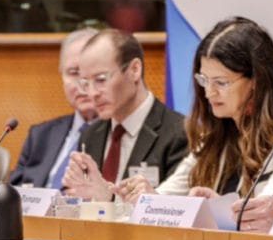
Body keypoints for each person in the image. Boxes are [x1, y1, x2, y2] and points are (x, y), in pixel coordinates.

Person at [114, 17, 273, 232]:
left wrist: (216, 211)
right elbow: (165, 195)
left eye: (221, 82)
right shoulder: (218, 131)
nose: (209, 93)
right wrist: (144, 196)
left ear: (256, 80)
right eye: (204, 80)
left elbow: (263, 214)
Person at [61, 29, 187, 199]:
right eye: (85, 83)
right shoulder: (90, 135)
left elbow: (173, 214)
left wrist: (107, 198)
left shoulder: (179, 133)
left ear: (134, 69)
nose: (92, 93)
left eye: (100, 79)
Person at [8, 28, 98, 187]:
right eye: (73, 72)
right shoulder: (40, 135)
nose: (83, 83)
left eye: (92, 72)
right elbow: (14, 194)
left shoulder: (121, 137)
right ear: (62, 75)